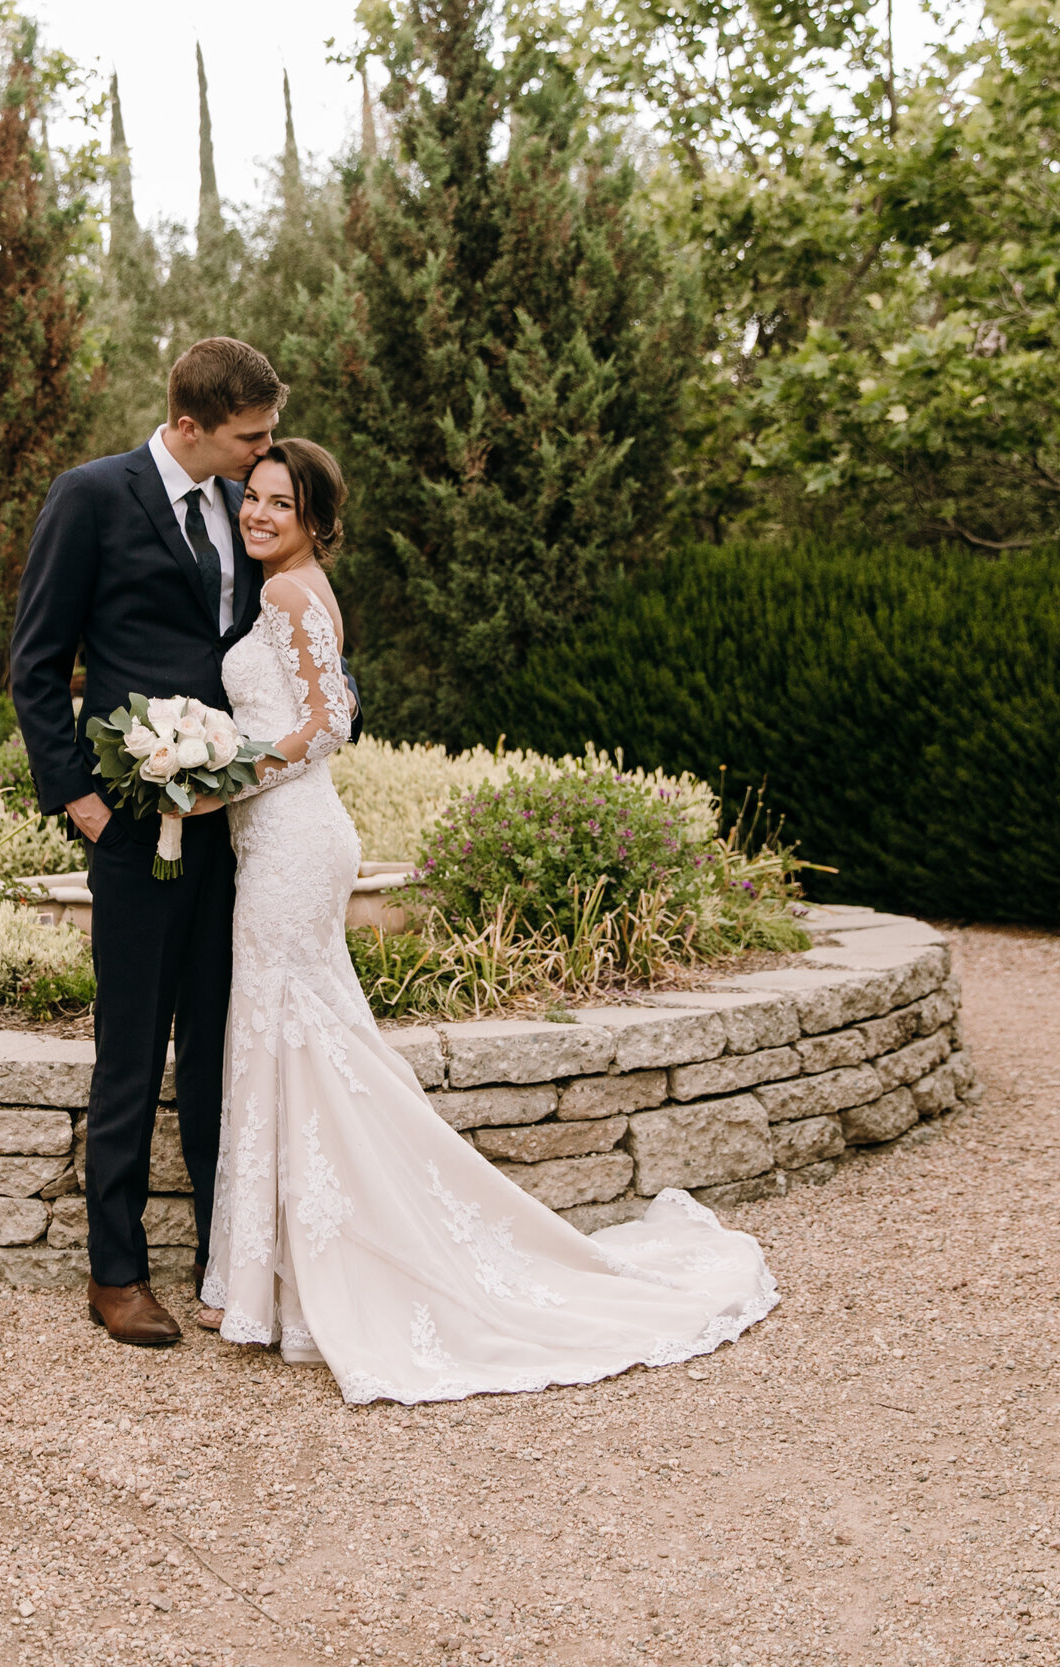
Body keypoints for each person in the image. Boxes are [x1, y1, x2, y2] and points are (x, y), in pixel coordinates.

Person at [200, 438, 780, 1404]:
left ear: (313, 521)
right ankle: (267, 1279)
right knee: (290, 1034)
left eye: (278, 505)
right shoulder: (296, 587)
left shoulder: (290, 596)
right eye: (252, 499)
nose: (259, 515)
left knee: (288, 1033)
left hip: (292, 841)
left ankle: (288, 1282)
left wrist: (221, 782)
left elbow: (331, 721)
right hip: (284, 840)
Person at [8, 338, 280, 1346]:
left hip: (229, 825)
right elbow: (36, 662)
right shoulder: (90, 497)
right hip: (130, 822)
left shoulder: (239, 510)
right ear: (191, 424)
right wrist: (75, 799)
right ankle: (114, 1270)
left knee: (216, 1042)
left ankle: (224, 1260)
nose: (263, 453)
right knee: (130, 1048)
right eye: (249, 435)